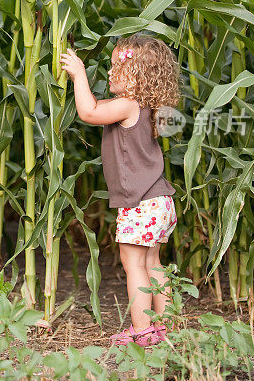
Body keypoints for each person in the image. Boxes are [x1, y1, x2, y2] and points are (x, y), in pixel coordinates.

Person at [60, 33, 180, 347]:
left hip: (140, 202)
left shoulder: (127, 105)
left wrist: (78, 74)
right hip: (159, 199)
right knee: (153, 263)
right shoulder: (147, 105)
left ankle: (142, 331)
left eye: (118, 66)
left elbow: (89, 112)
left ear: (138, 75)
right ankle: (164, 328)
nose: (111, 71)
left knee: (134, 265)